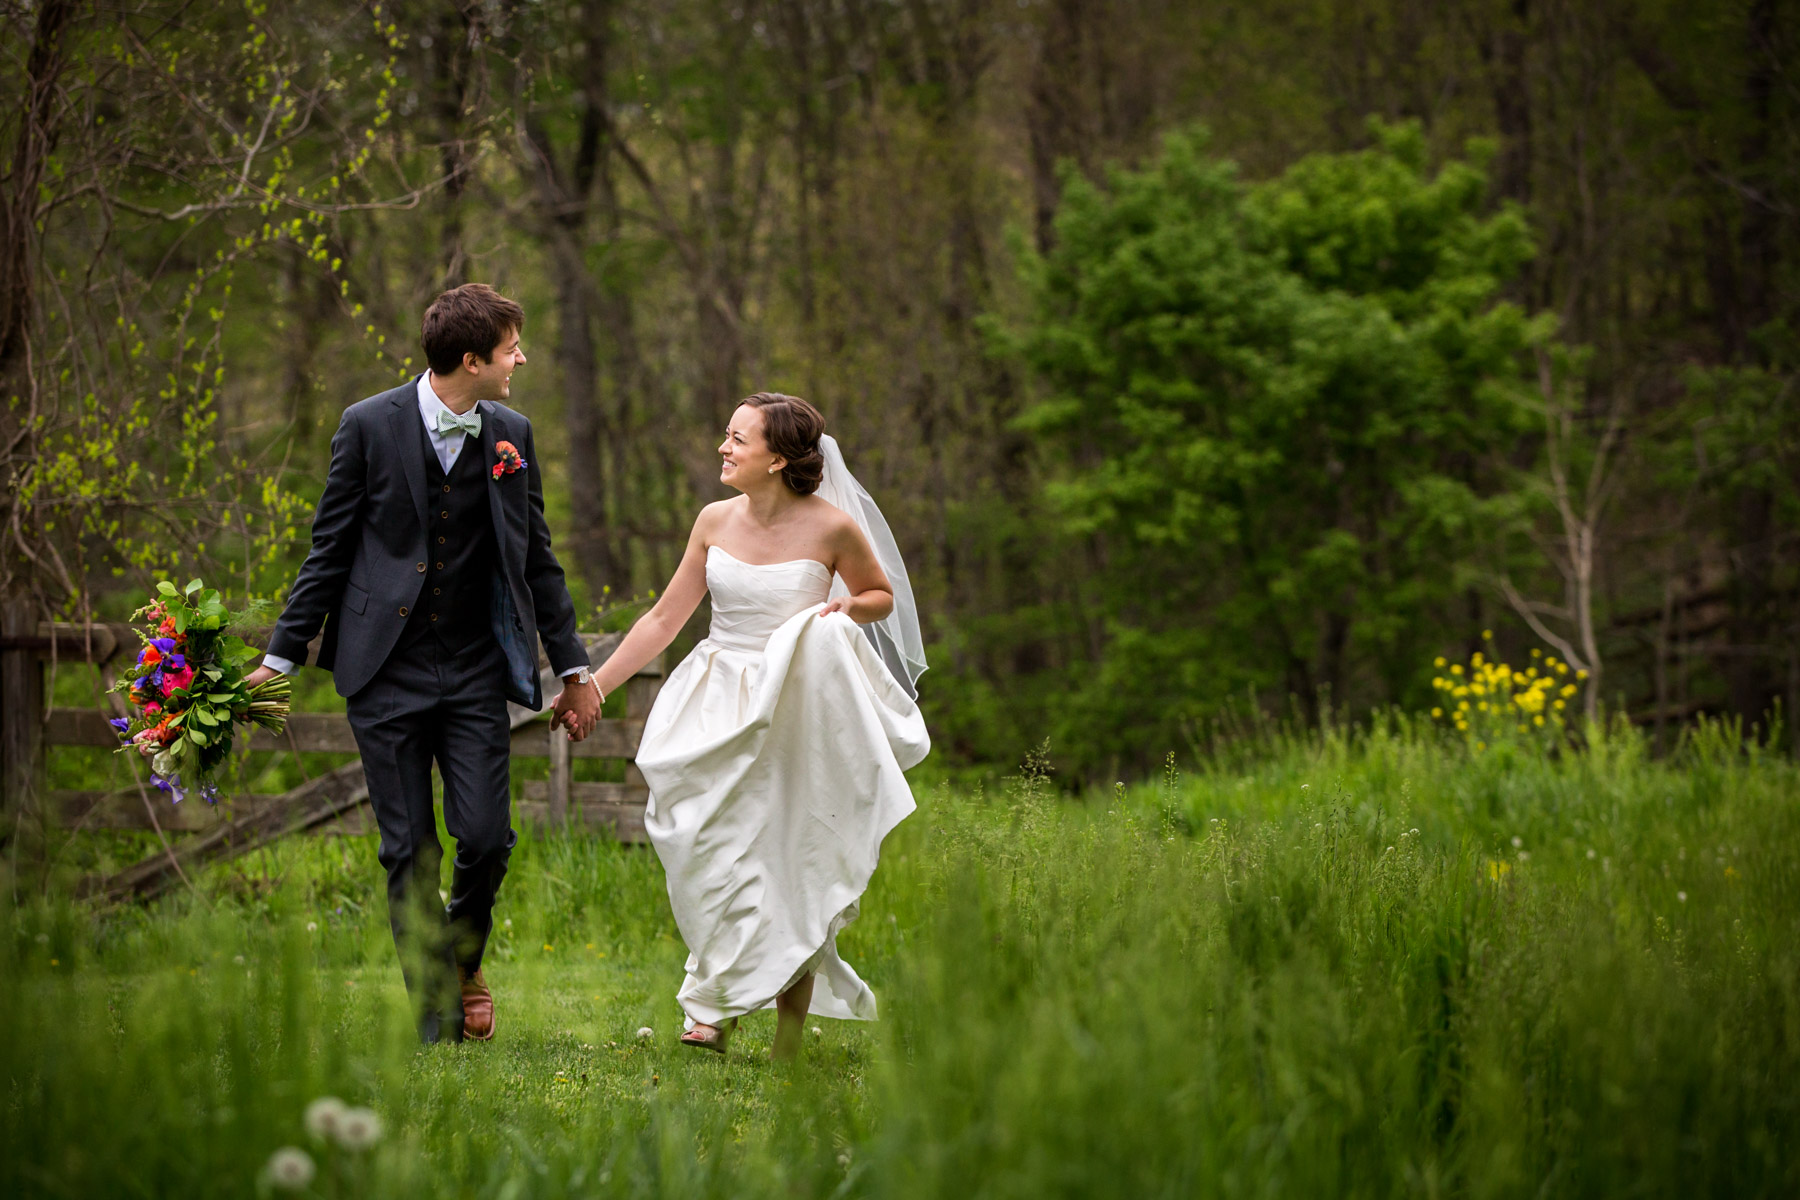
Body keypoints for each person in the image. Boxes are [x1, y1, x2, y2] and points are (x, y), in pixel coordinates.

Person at [245, 284, 603, 1043]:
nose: (522, 359)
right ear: (471, 359)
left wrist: (574, 671)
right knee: (408, 849)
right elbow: (329, 548)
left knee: (485, 838)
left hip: (476, 671)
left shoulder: (513, 434)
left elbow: (538, 560)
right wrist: (280, 656)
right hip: (383, 670)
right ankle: (434, 1019)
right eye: (512, 348)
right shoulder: (366, 426)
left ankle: (461, 956)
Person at [589, 392, 929, 1059]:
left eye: (737, 439)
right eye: (726, 434)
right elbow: (663, 620)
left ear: (776, 458)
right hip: (718, 702)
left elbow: (879, 594)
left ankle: (780, 1032)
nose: (724, 447)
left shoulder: (832, 527)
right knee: (710, 851)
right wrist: (596, 686)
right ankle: (716, 1003)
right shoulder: (713, 521)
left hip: (796, 710)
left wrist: (840, 612)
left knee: (790, 859)